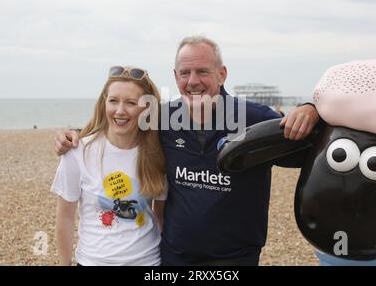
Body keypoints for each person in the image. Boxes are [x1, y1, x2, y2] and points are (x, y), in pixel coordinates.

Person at [54, 36, 319, 265]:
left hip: (235, 256)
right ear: (175, 77)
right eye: (185, 73)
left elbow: (315, 151)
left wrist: (311, 108)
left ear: (222, 73)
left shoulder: (254, 118)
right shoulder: (163, 119)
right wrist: (75, 136)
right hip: (174, 255)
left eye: (202, 71)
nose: (193, 81)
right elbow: (121, 123)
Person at [52, 66, 167, 266]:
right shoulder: (78, 151)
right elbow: (65, 218)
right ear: (104, 102)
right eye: (113, 100)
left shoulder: (157, 153)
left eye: (131, 102)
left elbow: (161, 215)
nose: (120, 110)